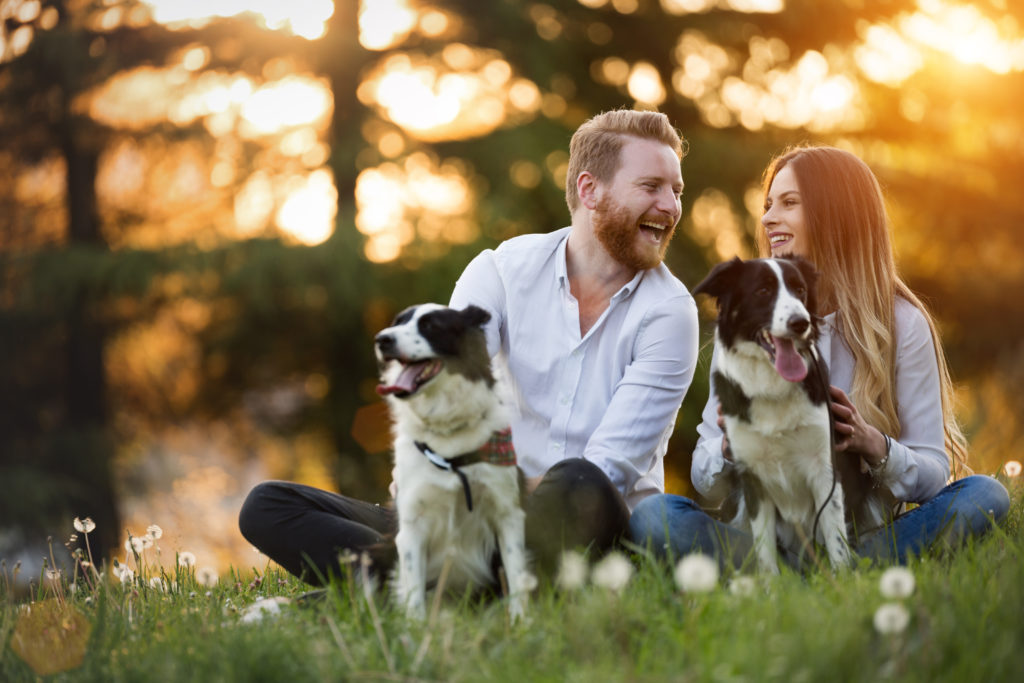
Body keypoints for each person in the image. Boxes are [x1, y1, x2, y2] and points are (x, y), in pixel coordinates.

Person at [239, 109, 700, 584]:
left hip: (585, 533)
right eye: (651, 187)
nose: (670, 206)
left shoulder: (669, 313)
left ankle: (407, 586)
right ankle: (445, 586)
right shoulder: (501, 270)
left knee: (581, 479)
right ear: (590, 190)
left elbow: (611, 469)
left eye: (676, 191)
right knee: (269, 505)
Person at [629, 145, 1010, 569]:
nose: (769, 218)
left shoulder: (901, 322)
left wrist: (874, 445)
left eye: (789, 203)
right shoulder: (747, 326)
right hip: (762, 536)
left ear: (837, 214)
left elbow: (934, 475)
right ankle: (793, 572)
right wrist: (728, 448)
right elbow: (704, 475)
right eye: (769, 205)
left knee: (985, 496)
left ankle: (842, 567)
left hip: (863, 535)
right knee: (654, 516)